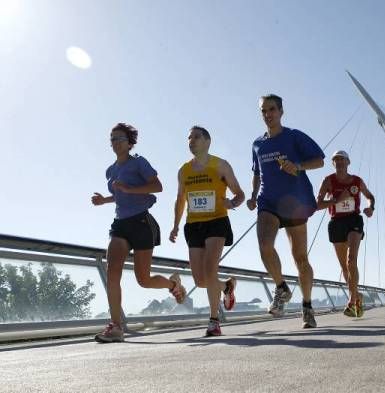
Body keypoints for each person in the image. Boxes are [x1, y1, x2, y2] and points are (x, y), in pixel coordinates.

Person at [92, 123, 186, 343]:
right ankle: (116, 326)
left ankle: (173, 285)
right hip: (120, 225)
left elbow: (157, 186)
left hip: (142, 222)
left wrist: (129, 189)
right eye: (112, 139)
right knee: (112, 271)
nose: (115, 142)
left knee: (143, 280)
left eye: (119, 139)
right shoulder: (111, 170)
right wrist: (103, 200)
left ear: (129, 142)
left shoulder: (139, 163)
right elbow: (120, 196)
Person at [247, 94, 325, 329]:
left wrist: (298, 166)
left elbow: (320, 160)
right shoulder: (257, 144)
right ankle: (282, 288)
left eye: (272, 109)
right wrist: (252, 195)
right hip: (267, 201)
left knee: (300, 258)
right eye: (263, 110)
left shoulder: (294, 136)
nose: (268, 114)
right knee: (264, 246)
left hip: (294, 203)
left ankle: (307, 306)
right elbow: (257, 174)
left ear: (281, 111)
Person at [169, 126, 245, 337]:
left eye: (196, 137)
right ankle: (227, 287)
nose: (191, 141)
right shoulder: (183, 170)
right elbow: (180, 199)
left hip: (217, 221)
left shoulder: (220, 165)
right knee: (200, 280)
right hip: (193, 225)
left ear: (208, 141)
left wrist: (231, 203)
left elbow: (240, 194)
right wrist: (175, 225)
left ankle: (214, 321)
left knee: (210, 270)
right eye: (189, 137)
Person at [316, 150, 374, 318]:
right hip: (336, 223)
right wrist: (336, 200)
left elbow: (370, 196)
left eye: (342, 159)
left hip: (354, 220)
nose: (339, 162)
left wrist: (371, 207)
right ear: (333, 164)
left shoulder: (357, 181)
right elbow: (317, 204)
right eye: (336, 160)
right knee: (344, 266)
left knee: (352, 259)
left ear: (348, 162)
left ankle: (352, 299)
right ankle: (357, 295)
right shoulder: (328, 181)